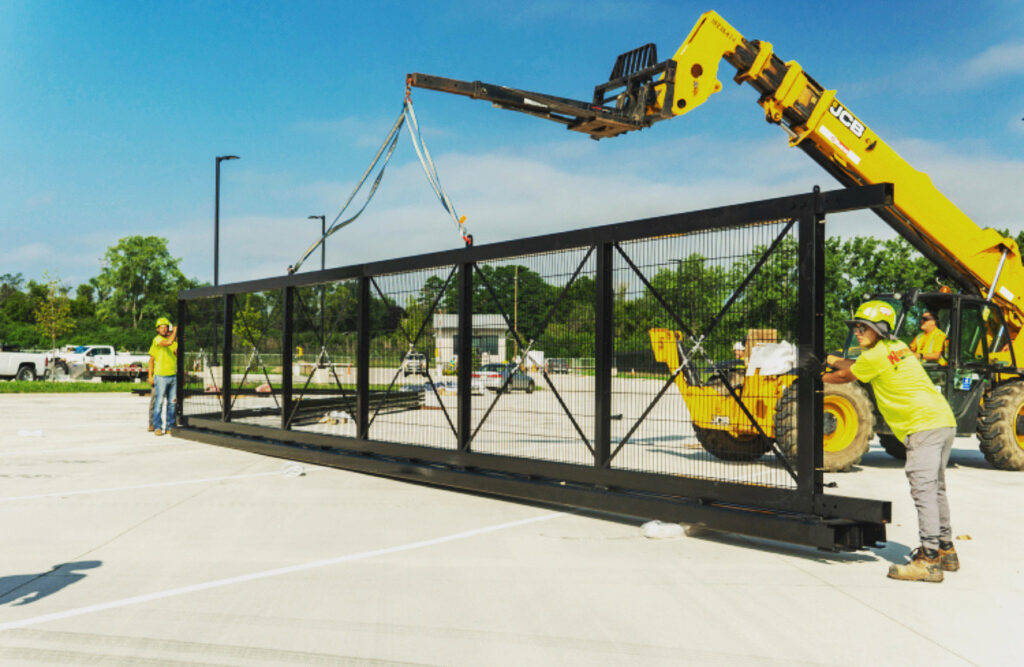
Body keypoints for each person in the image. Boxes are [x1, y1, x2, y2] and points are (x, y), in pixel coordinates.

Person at [823, 300, 959, 582]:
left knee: (923, 491)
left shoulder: (874, 357)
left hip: (922, 425)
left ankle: (929, 560)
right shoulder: (897, 347)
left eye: (864, 328)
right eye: (856, 327)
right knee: (936, 489)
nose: (858, 332)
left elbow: (846, 375)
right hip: (942, 421)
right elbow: (855, 364)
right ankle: (946, 550)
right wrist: (833, 358)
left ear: (879, 330)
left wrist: (816, 374)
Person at [148, 317, 178, 436]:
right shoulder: (157, 340)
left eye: (166, 327)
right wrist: (150, 375)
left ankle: (169, 426)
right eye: (162, 327)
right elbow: (151, 359)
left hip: (173, 375)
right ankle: (157, 426)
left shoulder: (174, 343)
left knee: (172, 403)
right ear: (157, 329)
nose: (164, 329)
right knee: (158, 402)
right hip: (161, 376)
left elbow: (177, 354)